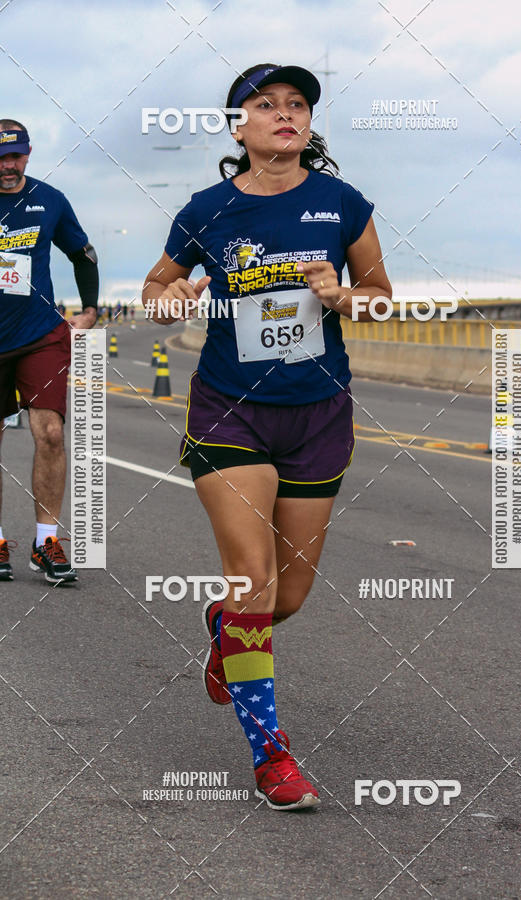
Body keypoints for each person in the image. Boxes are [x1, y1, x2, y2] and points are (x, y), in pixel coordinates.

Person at [142, 64, 392, 810]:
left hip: (318, 413)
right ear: (238, 127)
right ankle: (271, 757)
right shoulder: (206, 209)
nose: (285, 114)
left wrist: (343, 295)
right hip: (230, 411)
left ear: (309, 126)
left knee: (287, 596)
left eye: (297, 105)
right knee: (253, 582)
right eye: (266, 105)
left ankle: (226, 631)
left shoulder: (341, 204)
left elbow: (381, 302)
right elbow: (156, 289)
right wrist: (172, 297)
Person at [0, 119, 99, 584]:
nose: (8, 165)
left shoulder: (50, 200)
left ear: (29, 153)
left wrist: (91, 308)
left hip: (39, 333)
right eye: (1, 157)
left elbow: (83, 254)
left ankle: (46, 541)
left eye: (16, 155)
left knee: (51, 434)